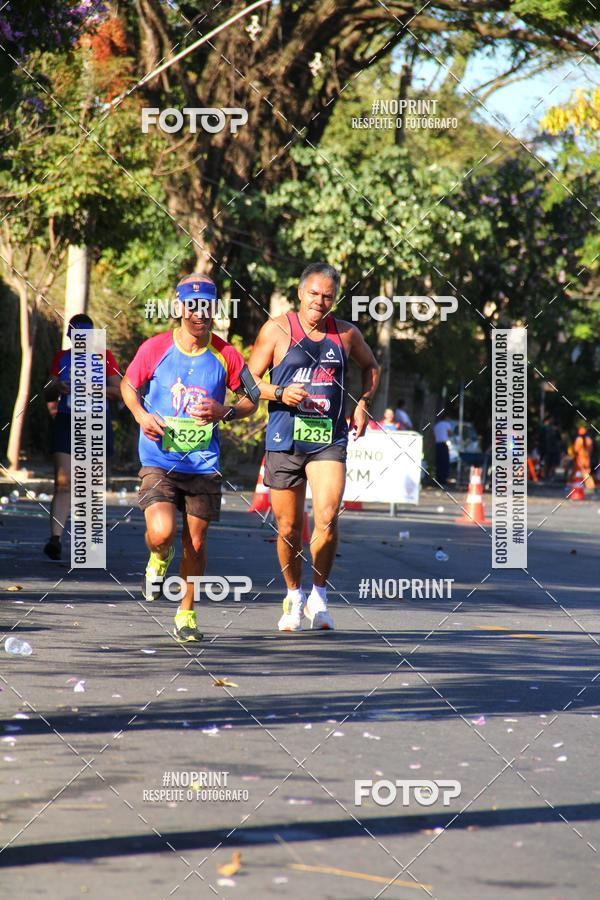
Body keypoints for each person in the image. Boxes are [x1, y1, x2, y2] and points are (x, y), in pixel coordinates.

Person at [121, 273, 257, 643]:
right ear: (179, 308)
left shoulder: (225, 354)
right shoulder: (156, 347)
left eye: (207, 307)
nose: (200, 314)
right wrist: (141, 416)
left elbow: (253, 396)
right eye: (193, 306)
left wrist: (223, 410)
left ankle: (186, 613)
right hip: (159, 458)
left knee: (196, 543)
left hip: (202, 464)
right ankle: (158, 556)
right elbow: (129, 385)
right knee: (162, 532)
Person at [248, 261, 379, 632]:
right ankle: (293, 594)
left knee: (326, 515)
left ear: (334, 300)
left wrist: (363, 402)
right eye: (314, 294)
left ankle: (319, 595)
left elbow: (372, 366)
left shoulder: (346, 335)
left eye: (328, 297)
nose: (319, 302)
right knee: (289, 527)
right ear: (300, 293)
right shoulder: (276, 330)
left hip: (328, 438)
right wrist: (279, 392)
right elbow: (247, 378)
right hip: (284, 437)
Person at [43, 314, 121, 561]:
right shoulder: (62, 358)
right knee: (63, 482)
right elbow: (47, 391)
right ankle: (55, 539)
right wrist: (58, 387)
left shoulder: (105, 357)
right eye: (75, 335)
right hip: (67, 420)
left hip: (97, 422)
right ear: (69, 336)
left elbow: (121, 390)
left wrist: (94, 388)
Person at [571, 425, 595, 492]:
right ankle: (584, 486)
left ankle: (590, 487)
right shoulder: (589, 440)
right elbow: (591, 450)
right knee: (586, 472)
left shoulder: (578, 440)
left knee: (583, 473)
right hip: (587, 459)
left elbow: (575, 450)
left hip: (580, 459)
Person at [433, 413, 453, 486]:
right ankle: (443, 480)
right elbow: (450, 433)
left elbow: (435, 436)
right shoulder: (447, 424)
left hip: (437, 444)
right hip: (444, 444)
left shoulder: (436, 426)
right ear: (446, 417)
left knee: (439, 463)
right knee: (445, 463)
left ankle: (438, 480)